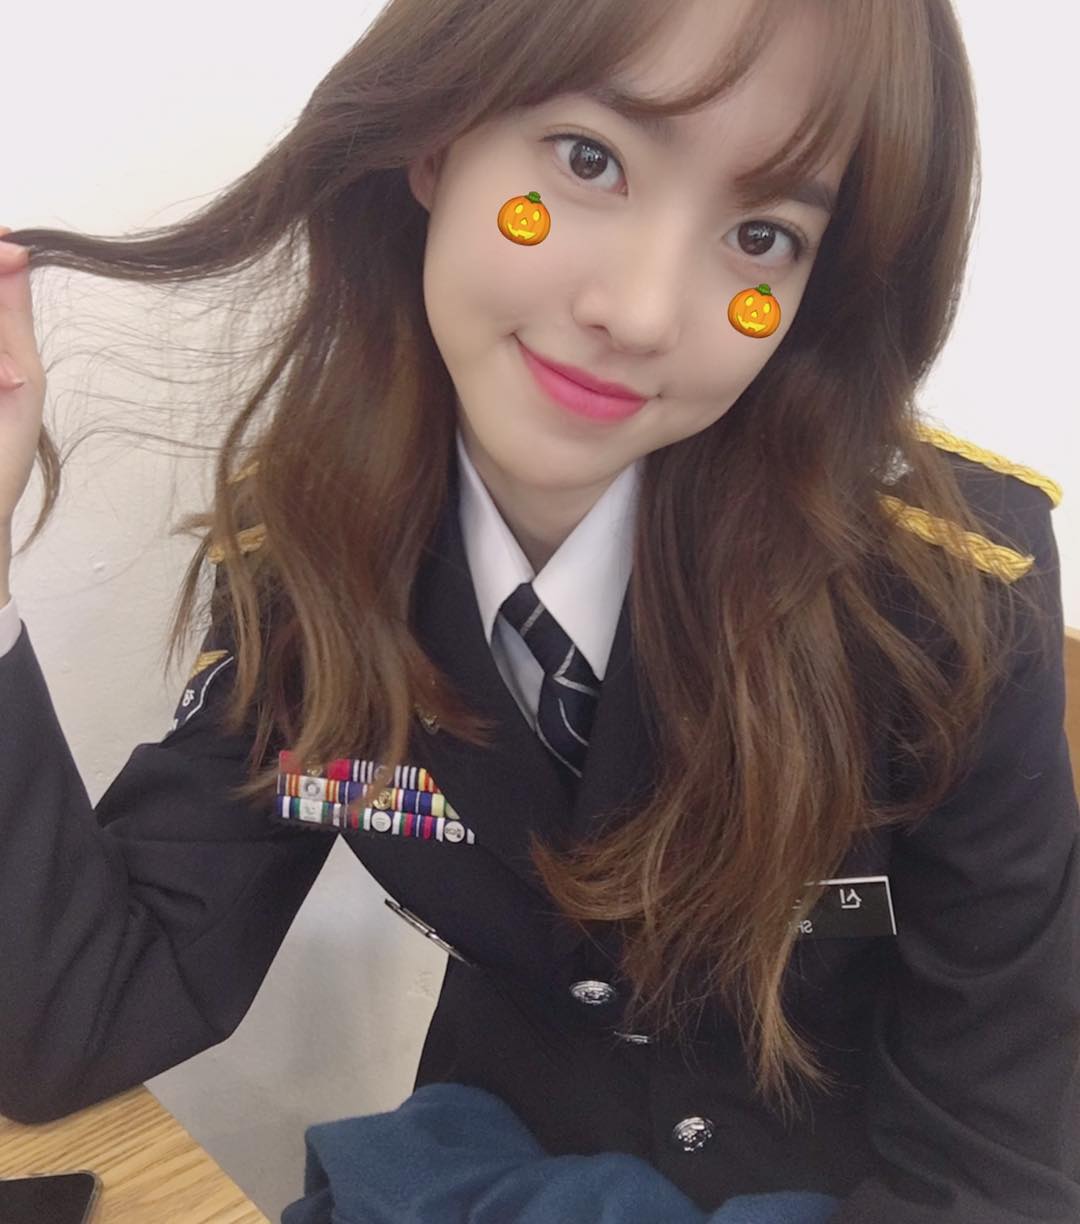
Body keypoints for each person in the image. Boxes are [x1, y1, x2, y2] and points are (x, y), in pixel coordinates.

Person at [0, 0, 1076, 1219]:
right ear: (436, 140)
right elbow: (82, 1017)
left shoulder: (938, 603)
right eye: (589, 159)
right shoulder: (317, 565)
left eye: (762, 235)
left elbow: (994, 1171)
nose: (644, 312)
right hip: (486, 1178)